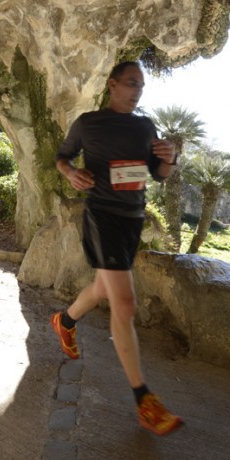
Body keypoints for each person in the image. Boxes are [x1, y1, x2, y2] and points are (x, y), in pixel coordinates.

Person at [51, 60, 183, 436]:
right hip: (102, 215)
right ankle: (143, 399)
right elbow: (61, 157)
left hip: (132, 218)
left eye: (141, 86)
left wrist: (169, 158)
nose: (137, 91)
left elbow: (158, 175)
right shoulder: (89, 123)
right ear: (112, 85)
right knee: (125, 303)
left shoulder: (144, 126)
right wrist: (71, 173)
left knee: (104, 288)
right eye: (130, 84)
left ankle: (66, 321)